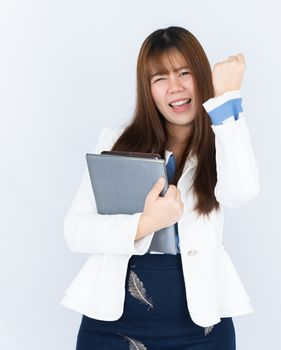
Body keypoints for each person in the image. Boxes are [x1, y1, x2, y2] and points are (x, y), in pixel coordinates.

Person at [60, 26, 260, 350]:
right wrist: (146, 223)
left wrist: (226, 101)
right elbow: (76, 231)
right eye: (160, 79)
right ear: (148, 90)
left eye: (184, 73)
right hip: (115, 326)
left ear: (201, 76)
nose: (175, 88)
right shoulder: (116, 142)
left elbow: (241, 192)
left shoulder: (223, 142)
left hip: (203, 328)